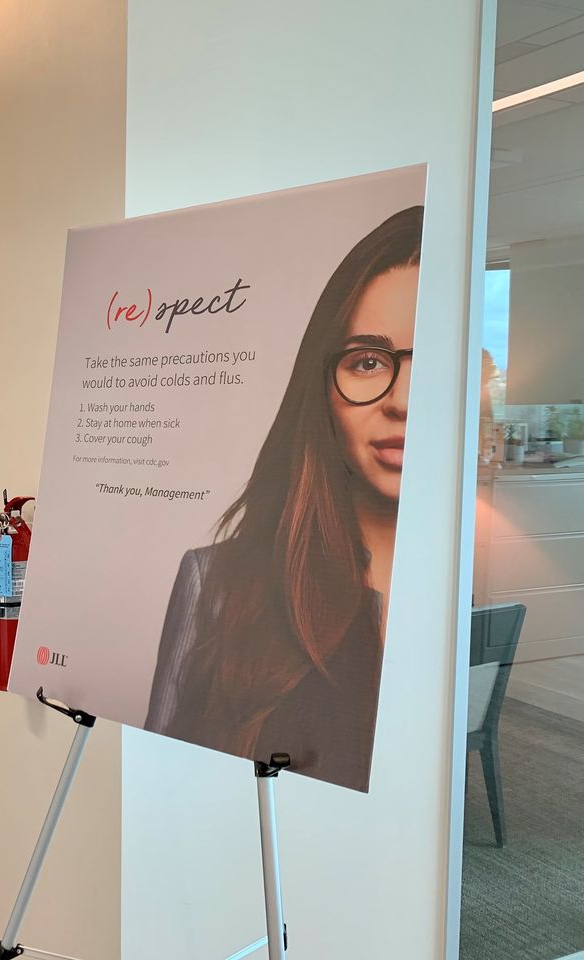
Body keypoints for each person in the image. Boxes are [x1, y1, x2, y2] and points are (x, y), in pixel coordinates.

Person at [144, 205, 424, 792]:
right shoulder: (218, 585)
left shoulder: (466, 589)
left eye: (432, 364)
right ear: (321, 388)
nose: (401, 401)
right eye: (368, 361)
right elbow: (161, 780)